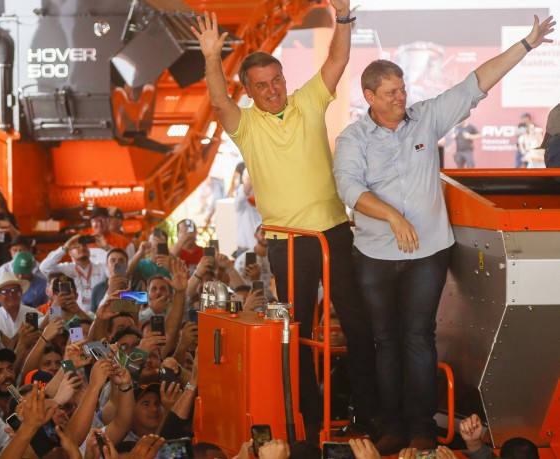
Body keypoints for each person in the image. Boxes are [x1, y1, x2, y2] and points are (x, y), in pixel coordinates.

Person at [333, 15, 555, 454]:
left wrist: (527, 44)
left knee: (417, 337)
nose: (402, 98)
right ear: (370, 96)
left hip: (429, 251)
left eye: (403, 89)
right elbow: (349, 189)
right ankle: (390, 425)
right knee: (385, 339)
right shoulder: (352, 138)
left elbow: (477, 82)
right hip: (376, 253)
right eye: (392, 92)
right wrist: (393, 218)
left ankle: (419, 428)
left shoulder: (426, 117)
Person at [192, 0, 379, 440]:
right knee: (294, 332)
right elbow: (218, 101)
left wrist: (345, 15)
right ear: (251, 91)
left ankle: (367, 416)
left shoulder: (308, 99)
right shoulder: (247, 126)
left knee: (358, 323)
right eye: (262, 85)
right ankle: (307, 422)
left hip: (335, 231)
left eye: (276, 80)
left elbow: (338, 59)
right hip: (288, 241)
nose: (272, 89)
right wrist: (211, 57)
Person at [39, 234, 108, 312]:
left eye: (84, 245)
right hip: (73, 315)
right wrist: (64, 247)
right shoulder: (65, 268)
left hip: (99, 315)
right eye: (76, 247)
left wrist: (107, 248)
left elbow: (118, 271)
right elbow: (44, 268)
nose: (81, 247)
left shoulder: (101, 267)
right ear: (70, 253)